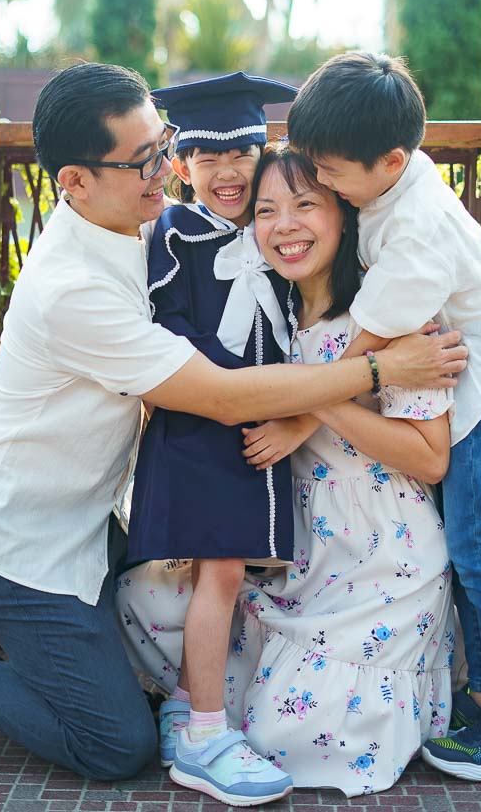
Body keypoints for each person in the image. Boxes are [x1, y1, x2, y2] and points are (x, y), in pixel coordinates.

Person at [0, 63, 467, 780]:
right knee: (114, 745)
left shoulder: (143, 231)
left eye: (163, 144)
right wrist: (383, 371)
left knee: (169, 637)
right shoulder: (73, 288)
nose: (166, 168)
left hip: (91, 535)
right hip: (16, 551)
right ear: (73, 181)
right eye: (143, 160)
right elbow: (224, 397)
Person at [118, 144, 457, 798]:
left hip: (379, 549)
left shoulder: (387, 319)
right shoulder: (263, 316)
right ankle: (197, 717)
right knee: (145, 600)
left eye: (305, 205)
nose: (284, 225)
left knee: (294, 736)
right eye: (265, 210)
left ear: (343, 212)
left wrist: (315, 398)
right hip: (290, 542)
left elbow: (429, 457)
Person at [286, 51, 481, 781]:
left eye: (331, 172)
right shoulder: (393, 182)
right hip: (458, 398)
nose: (320, 184)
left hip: (479, 406)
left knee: (478, 552)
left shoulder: (418, 231)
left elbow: (360, 346)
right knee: (469, 552)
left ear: (391, 159)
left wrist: (292, 405)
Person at [128, 73, 299, 806]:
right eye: (206, 156)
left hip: (261, 436)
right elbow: (167, 332)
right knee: (220, 574)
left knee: (242, 580)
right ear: (180, 164)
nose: (226, 172)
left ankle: (192, 709)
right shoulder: (172, 233)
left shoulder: (276, 229)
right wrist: (246, 390)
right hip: (200, 432)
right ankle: (203, 732)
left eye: (242, 153)